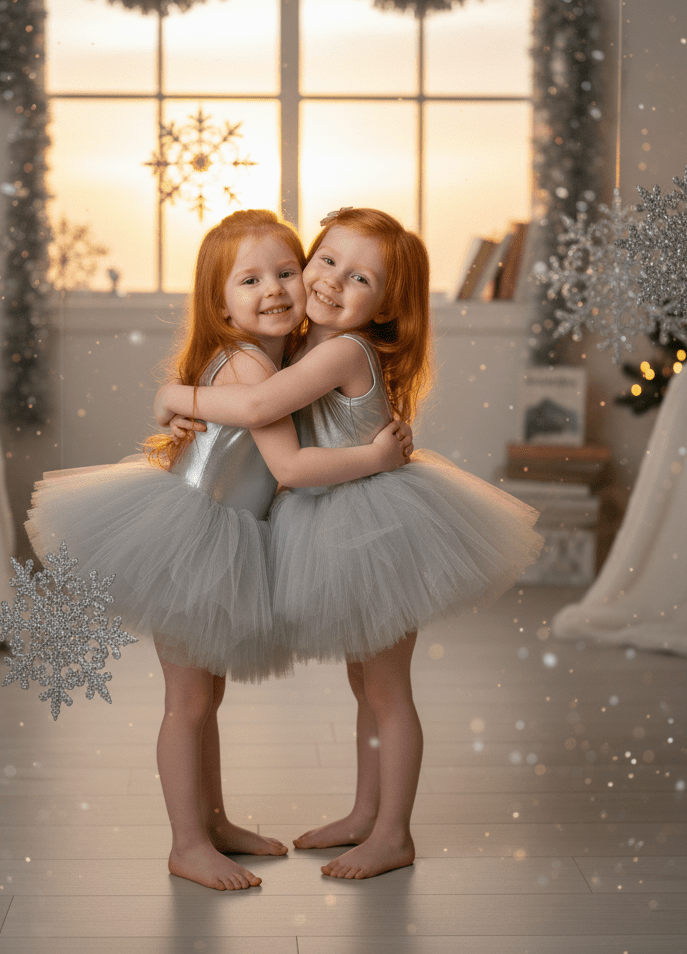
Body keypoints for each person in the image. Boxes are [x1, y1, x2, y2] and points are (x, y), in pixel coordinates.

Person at [25, 209, 411, 892]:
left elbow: (275, 424)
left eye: (285, 271)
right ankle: (188, 842)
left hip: (225, 536)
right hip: (190, 537)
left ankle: (216, 822)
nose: (276, 289)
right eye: (251, 279)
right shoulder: (246, 365)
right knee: (190, 703)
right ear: (218, 300)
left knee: (209, 696)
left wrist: (170, 392)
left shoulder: (291, 359)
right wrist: (167, 394)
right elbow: (282, 457)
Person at [155, 207, 544, 880]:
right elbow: (261, 421)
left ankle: (388, 829)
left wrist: (170, 392)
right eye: (326, 261)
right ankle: (318, 822)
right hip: (283, 523)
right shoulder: (293, 348)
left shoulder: (332, 349)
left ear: (387, 301)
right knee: (358, 686)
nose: (330, 282)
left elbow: (265, 425)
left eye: (359, 275)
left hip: (372, 523)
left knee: (382, 689)